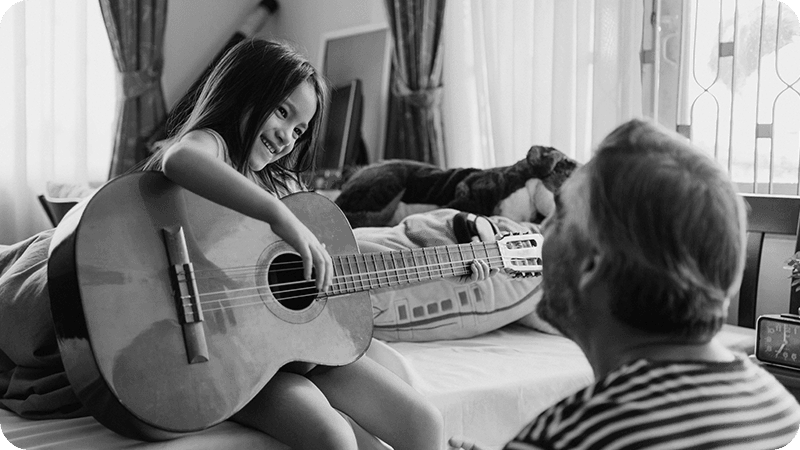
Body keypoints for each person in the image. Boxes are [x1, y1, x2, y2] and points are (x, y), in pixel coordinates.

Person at [0, 38, 495, 449]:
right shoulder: (213, 146)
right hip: (220, 358)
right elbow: (178, 160)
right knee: (333, 438)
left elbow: (314, 284)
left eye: (300, 130)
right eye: (282, 112)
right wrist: (280, 217)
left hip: (282, 349)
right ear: (242, 94)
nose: (288, 137)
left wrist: (447, 262)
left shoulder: (285, 188)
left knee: (423, 424)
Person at [450, 118, 800, 450]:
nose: (540, 231)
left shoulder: (570, 434)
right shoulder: (781, 413)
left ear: (591, 264)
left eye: (559, 217)